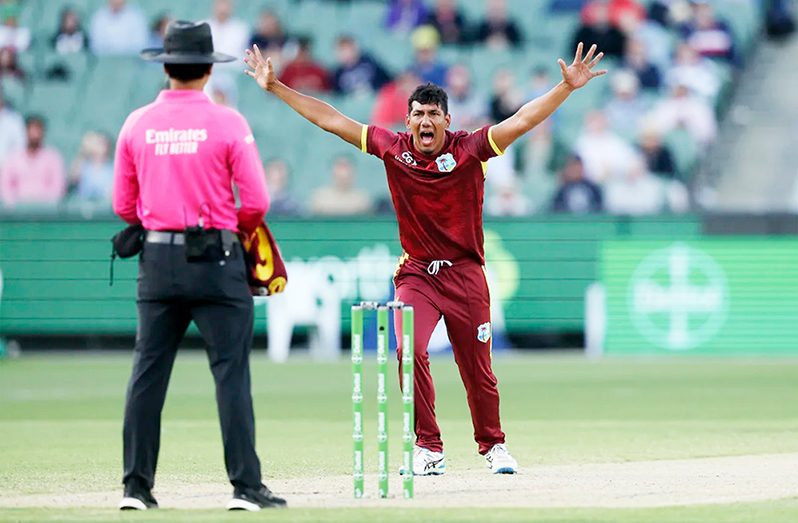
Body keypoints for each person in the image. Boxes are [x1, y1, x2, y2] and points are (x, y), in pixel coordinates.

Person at [245, 40, 607, 474]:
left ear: (447, 120)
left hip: (466, 275)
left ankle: (493, 446)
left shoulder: (472, 149)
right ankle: (429, 448)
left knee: (478, 370)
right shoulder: (390, 147)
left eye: (434, 114)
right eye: (418, 114)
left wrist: (564, 89)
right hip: (417, 274)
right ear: (408, 120)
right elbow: (331, 119)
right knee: (406, 350)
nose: (425, 121)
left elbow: (523, 119)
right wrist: (277, 87)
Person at [112, 21, 285, 511]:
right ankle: (245, 488)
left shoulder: (136, 123)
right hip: (217, 256)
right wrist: (225, 224)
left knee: (147, 372)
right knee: (230, 372)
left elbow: (124, 206)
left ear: (166, 66)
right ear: (209, 70)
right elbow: (255, 203)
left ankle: (136, 487)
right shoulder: (228, 122)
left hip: (158, 257)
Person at [0, 115, 65, 207]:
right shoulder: (13, 158)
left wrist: (42, 205)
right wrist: (16, 205)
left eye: (38, 129)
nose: (35, 134)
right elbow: (5, 188)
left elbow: (57, 189)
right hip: (17, 213)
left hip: (45, 212)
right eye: (31, 129)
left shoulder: (53, 158)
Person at [309, 155, 374, 216]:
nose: (343, 172)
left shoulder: (362, 200)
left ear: (354, 172)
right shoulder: (320, 198)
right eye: (340, 167)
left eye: (346, 167)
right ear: (332, 171)